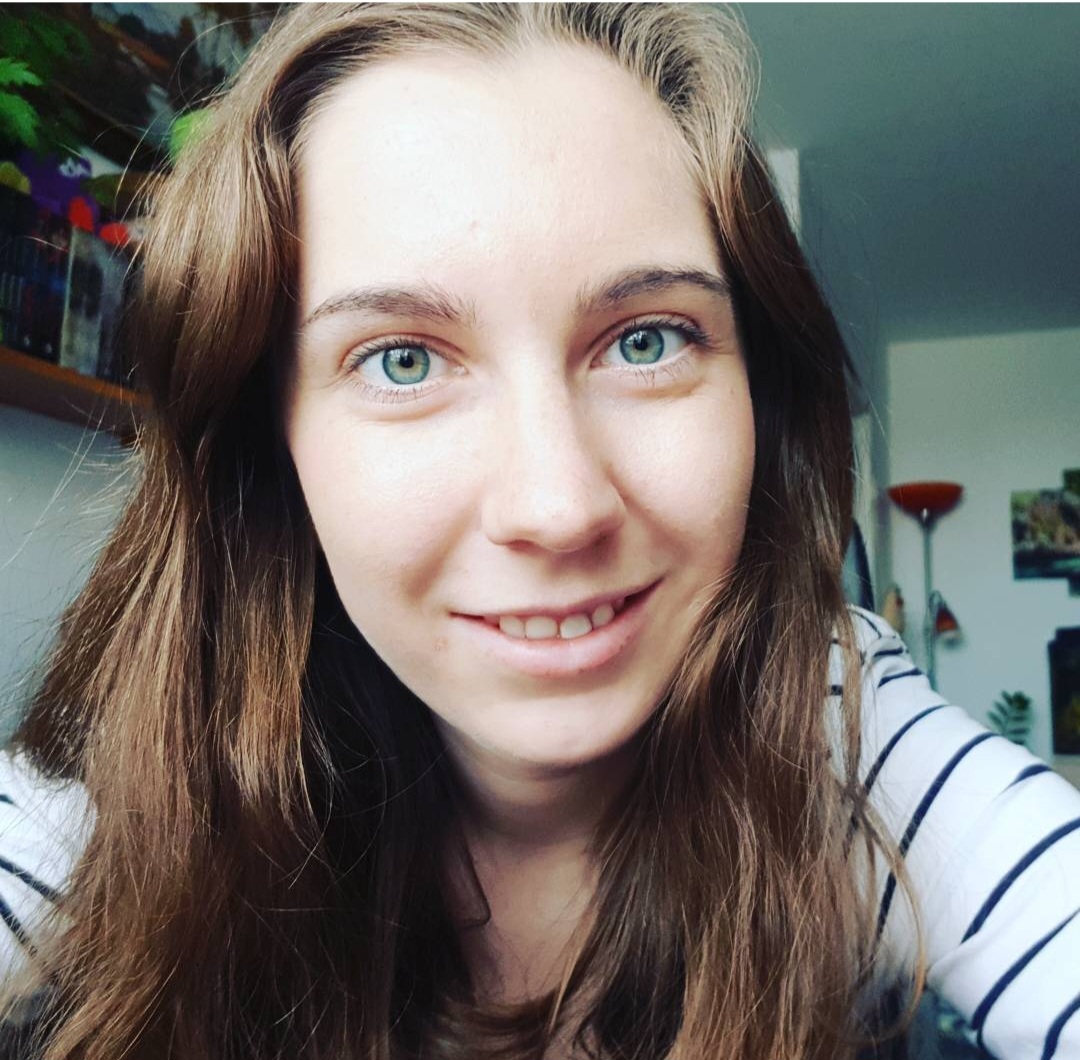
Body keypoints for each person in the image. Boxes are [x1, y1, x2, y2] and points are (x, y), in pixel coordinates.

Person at [0, 4, 1077, 1059]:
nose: (559, 507)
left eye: (647, 340)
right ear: (270, 440)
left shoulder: (829, 724)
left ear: (761, 395)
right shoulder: (150, 756)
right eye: (402, 361)